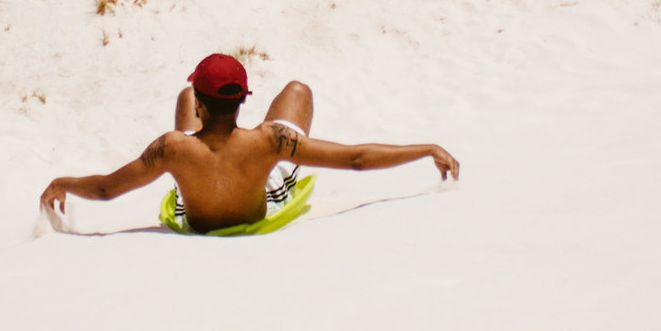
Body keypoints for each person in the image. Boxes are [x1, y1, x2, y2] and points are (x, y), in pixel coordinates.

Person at [39, 53, 460, 233]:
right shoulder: (270, 140)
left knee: (184, 104)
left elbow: (105, 189)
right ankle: (226, 105)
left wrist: (64, 181)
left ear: (202, 106)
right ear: (242, 101)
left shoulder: (171, 148)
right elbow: (356, 159)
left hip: (194, 196)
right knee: (297, 90)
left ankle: (208, 111)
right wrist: (424, 148)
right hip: (262, 183)